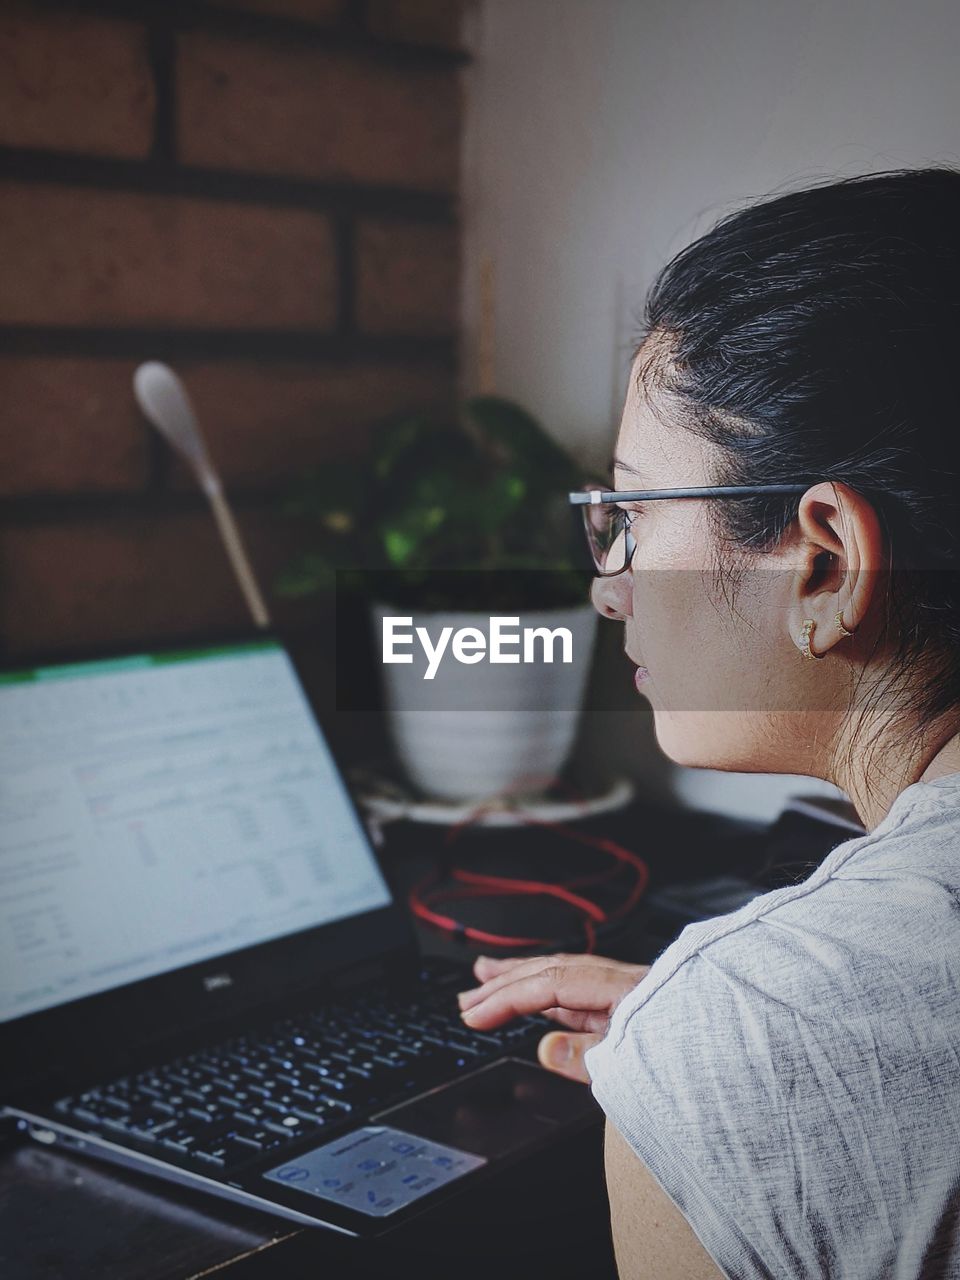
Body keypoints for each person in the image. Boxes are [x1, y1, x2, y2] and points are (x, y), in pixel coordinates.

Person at [457, 169, 960, 1279]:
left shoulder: (731, 1038)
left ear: (825, 561)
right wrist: (758, 1025)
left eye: (632, 515)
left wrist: (732, 1037)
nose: (610, 585)